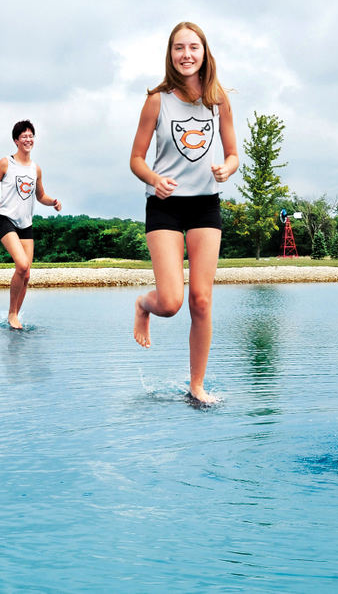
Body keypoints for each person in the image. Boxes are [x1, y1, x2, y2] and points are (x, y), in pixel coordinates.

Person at [130, 21, 238, 404]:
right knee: (172, 302)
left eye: (194, 47)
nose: (187, 54)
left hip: (205, 204)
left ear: (204, 52)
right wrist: (153, 178)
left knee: (202, 300)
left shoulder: (218, 100)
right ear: (170, 54)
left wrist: (228, 167)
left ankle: (197, 386)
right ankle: (145, 303)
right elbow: (136, 159)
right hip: (165, 206)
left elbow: (232, 152)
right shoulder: (157, 100)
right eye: (179, 47)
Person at [0, 120, 62, 329]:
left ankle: (15, 314)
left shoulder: (36, 169)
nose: (28, 139)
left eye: (31, 136)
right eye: (24, 136)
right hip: (6, 219)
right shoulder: (5, 163)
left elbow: (41, 196)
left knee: (26, 274)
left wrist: (53, 202)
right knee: (22, 264)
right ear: (16, 140)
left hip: (26, 224)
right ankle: (11, 314)